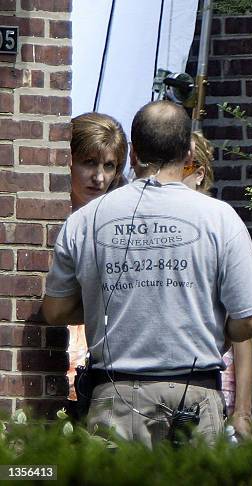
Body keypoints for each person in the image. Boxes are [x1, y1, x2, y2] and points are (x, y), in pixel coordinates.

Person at [42, 101, 252, 448]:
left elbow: (55, 311)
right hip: (195, 396)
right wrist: (217, 329)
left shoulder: (85, 220)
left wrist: (105, 303)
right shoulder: (220, 218)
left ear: (133, 155)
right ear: (189, 151)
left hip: (116, 396)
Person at [182, 130, 252, 441]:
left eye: (180, 166)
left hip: (214, 380)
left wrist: (243, 409)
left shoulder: (220, 225)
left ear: (199, 174)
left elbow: (245, 326)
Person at [66, 112, 128, 401]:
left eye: (109, 165)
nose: (99, 177)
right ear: (68, 161)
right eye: (89, 162)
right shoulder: (49, 222)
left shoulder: (123, 223)